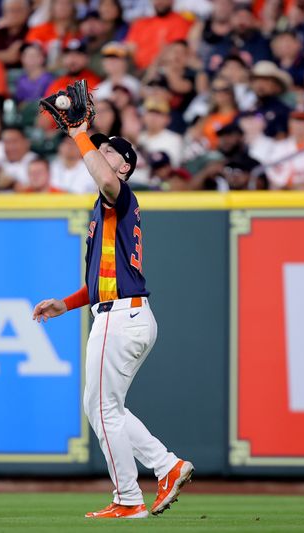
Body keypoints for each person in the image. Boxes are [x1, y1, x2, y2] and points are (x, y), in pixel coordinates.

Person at [32, 105, 194, 519]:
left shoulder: (117, 193)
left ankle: (128, 498)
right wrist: (65, 304)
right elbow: (102, 281)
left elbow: (103, 177)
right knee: (105, 408)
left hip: (122, 317)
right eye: (98, 149)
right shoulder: (106, 208)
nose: (100, 155)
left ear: (124, 167)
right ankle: (166, 465)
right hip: (122, 311)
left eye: (109, 152)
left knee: (103, 409)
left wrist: (80, 135)